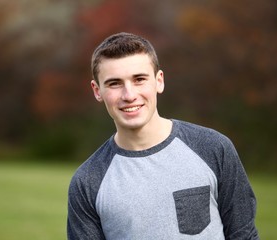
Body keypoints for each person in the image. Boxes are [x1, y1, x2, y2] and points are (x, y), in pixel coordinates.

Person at [67, 32, 259, 239]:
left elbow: (243, 235)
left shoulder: (213, 148)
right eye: (114, 83)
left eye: (139, 79)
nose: (129, 95)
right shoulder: (87, 182)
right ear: (97, 91)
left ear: (159, 81)